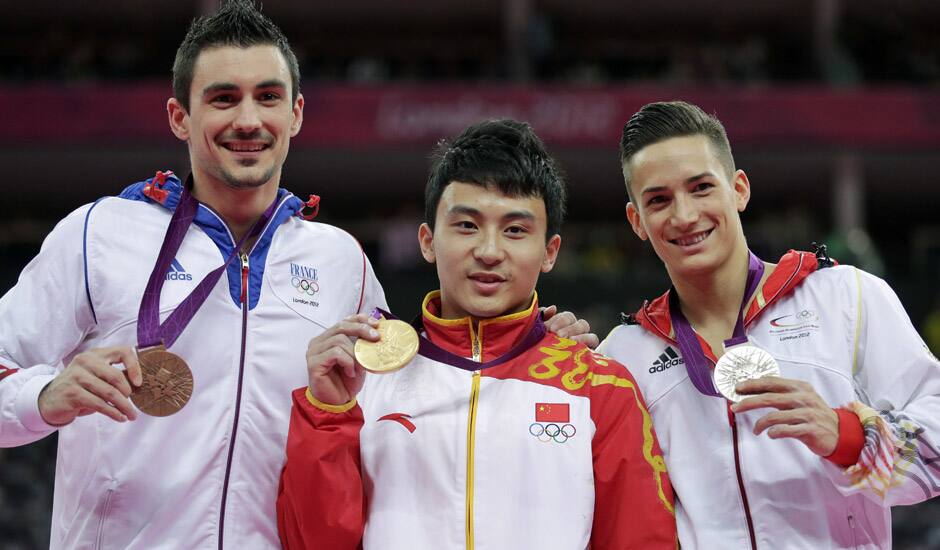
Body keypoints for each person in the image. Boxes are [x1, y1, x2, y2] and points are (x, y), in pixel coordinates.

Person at [0, 3, 593, 549]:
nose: (249, 119)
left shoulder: (341, 262)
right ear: (181, 117)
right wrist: (45, 398)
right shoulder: (99, 235)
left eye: (268, 96)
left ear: (297, 113)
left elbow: (417, 388)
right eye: (224, 98)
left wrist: (531, 345)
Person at [276, 119, 677, 549]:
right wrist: (327, 415)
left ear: (550, 252)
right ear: (428, 241)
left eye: (515, 230)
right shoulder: (361, 381)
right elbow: (312, 542)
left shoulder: (601, 388)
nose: (488, 251)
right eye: (466, 225)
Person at [597, 100, 940, 549]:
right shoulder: (623, 355)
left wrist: (847, 436)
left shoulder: (846, 299)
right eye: (659, 200)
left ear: (738, 189)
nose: (683, 216)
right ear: (637, 221)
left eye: (701, 187)